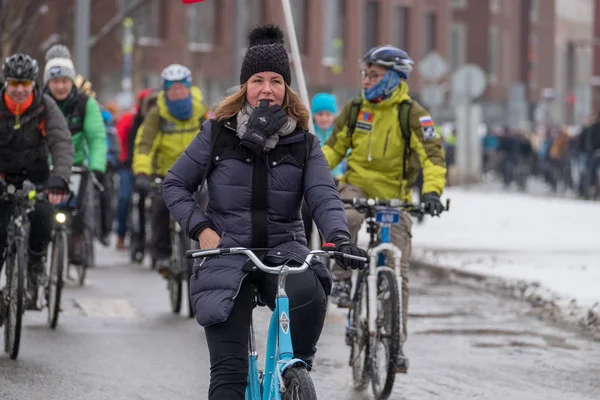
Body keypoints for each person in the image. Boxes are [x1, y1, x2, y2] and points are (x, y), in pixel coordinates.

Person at [162, 25, 367, 399]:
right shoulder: (217, 134)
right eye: (257, 80)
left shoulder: (304, 142)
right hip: (226, 253)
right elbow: (174, 184)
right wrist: (202, 228)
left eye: (276, 80)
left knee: (310, 295)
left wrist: (339, 237)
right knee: (229, 376)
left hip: (285, 252)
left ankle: (293, 373)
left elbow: (323, 195)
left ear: (286, 88)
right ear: (245, 87)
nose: (267, 88)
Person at [322, 45, 447, 373]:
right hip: (357, 186)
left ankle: (396, 343)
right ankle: (340, 279)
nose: (365, 81)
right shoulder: (354, 109)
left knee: (398, 269)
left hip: (395, 195)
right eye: (364, 74)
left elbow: (432, 156)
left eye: (373, 75)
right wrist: (315, 179)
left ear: (394, 77)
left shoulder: (413, 114)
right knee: (345, 216)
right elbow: (333, 149)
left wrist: (431, 193)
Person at [0, 53, 73, 311]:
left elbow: (61, 143)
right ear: (5, 83)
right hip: (3, 174)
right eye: (14, 84)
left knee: (44, 214)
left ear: (33, 84)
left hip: (36, 174)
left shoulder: (44, 106)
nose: (19, 90)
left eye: (25, 84)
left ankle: (36, 262)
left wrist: (60, 178)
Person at [132, 64, 208, 274]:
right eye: (172, 89)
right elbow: (144, 145)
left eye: (181, 88)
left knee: (208, 209)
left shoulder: (200, 111)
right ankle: (163, 255)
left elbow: (213, 142)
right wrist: (141, 172)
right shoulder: (157, 115)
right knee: (160, 209)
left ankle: (208, 253)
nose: (177, 93)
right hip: (166, 176)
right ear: (165, 92)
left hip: (197, 175)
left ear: (188, 88)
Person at [43, 44, 107, 264]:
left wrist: (97, 167)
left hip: (76, 165)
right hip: (45, 166)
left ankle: (79, 238)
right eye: (55, 81)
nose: (60, 86)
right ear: (47, 83)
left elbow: (97, 137)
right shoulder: (40, 103)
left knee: (81, 207)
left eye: (64, 81)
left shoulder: (85, 103)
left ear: (72, 82)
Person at [114, 89, 157, 249]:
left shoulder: (161, 121)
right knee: (124, 198)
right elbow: (119, 142)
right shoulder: (129, 120)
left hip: (152, 169)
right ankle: (121, 234)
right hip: (127, 166)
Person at [301, 92, 345, 243]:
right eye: (320, 114)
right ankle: (305, 245)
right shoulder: (309, 134)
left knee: (332, 215)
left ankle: (329, 245)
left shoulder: (339, 135)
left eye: (328, 114)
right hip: (314, 181)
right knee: (305, 211)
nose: (324, 118)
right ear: (314, 116)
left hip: (336, 180)